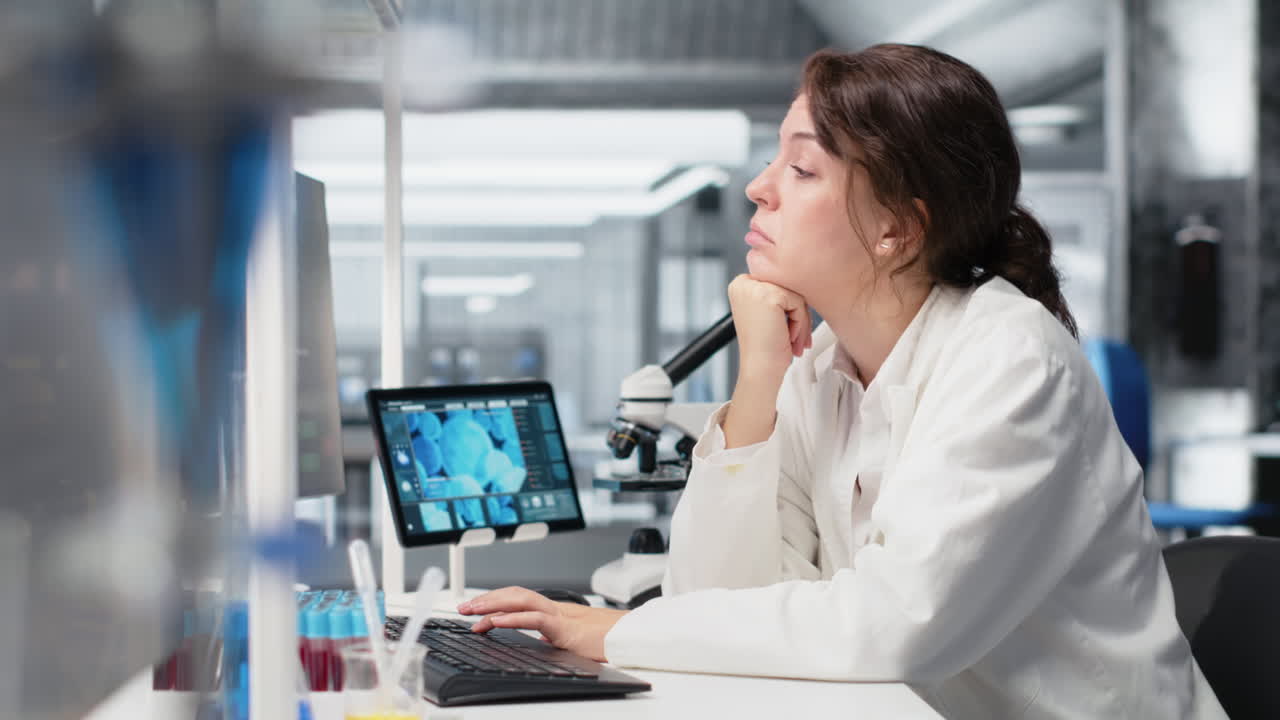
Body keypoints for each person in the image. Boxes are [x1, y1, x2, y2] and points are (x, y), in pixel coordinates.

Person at [457, 44, 1227, 719]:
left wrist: (617, 629)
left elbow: (892, 625)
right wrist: (760, 375)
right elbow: (718, 598)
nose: (760, 188)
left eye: (800, 167)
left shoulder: (1009, 359)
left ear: (896, 228)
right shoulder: (824, 364)